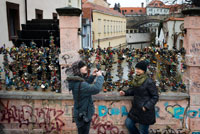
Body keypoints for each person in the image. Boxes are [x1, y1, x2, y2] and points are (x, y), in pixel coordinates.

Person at [120, 60, 159, 134]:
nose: (137, 70)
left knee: (143, 131)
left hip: (145, 112)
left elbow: (155, 96)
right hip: (136, 109)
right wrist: (125, 93)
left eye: (139, 69)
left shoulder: (149, 82)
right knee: (128, 123)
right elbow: (134, 90)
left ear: (144, 70)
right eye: (136, 68)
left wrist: (146, 106)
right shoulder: (136, 79)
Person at [66, 60, 104, 134]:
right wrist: (100, 77)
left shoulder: (76, 81)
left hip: (81, 113)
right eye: (83, 66)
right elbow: (96, 89)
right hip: (83, 116)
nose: (85, 67)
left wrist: (92, 76)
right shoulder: (80, 84)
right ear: (78, 69)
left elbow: (84, 83)